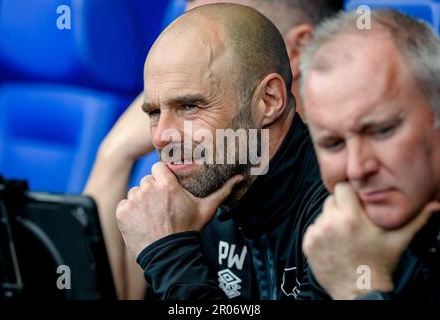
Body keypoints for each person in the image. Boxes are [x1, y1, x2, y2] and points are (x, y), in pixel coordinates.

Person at [84, 0, 342, 299]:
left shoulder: (339, 202)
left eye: (190, 106)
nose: (163, 137)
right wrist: (113, 154)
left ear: (269, 100)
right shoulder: (203, 187)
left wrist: (171, 257)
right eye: (154, 112)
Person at [300, 10, 440, 299]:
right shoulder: (339, 238)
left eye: (382, 131)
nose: (357, 169)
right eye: (333, 143)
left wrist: (356, 288)